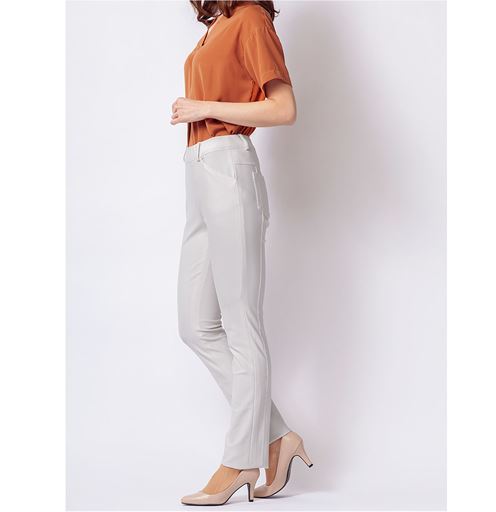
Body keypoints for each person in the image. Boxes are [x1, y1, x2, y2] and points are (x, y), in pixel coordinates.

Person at [171, 1, 313, 506]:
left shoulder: (250, 17)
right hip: (199, 169)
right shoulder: (216, 27)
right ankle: (278, 436)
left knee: (240, 323)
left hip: (230, 166)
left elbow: (283, 108)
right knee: (195, 325)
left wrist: (204, 108)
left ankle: (240, 461)